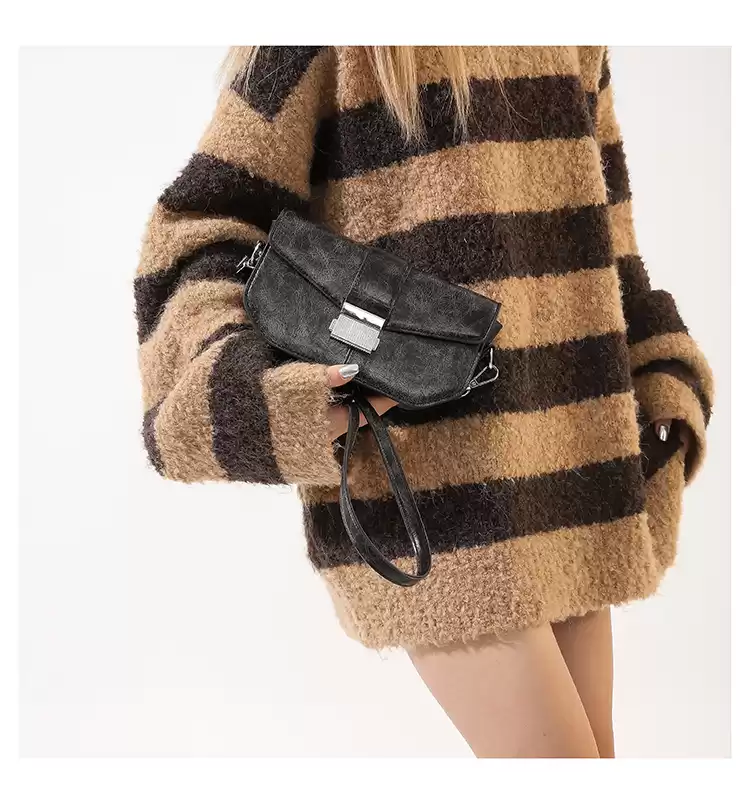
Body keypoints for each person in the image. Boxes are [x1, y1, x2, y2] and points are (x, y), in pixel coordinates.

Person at [134, 46, 713, 757]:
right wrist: (277, 401)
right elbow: (197, 232)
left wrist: (661, 373)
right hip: (432, 492)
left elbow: (609, 241)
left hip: (576, 470)